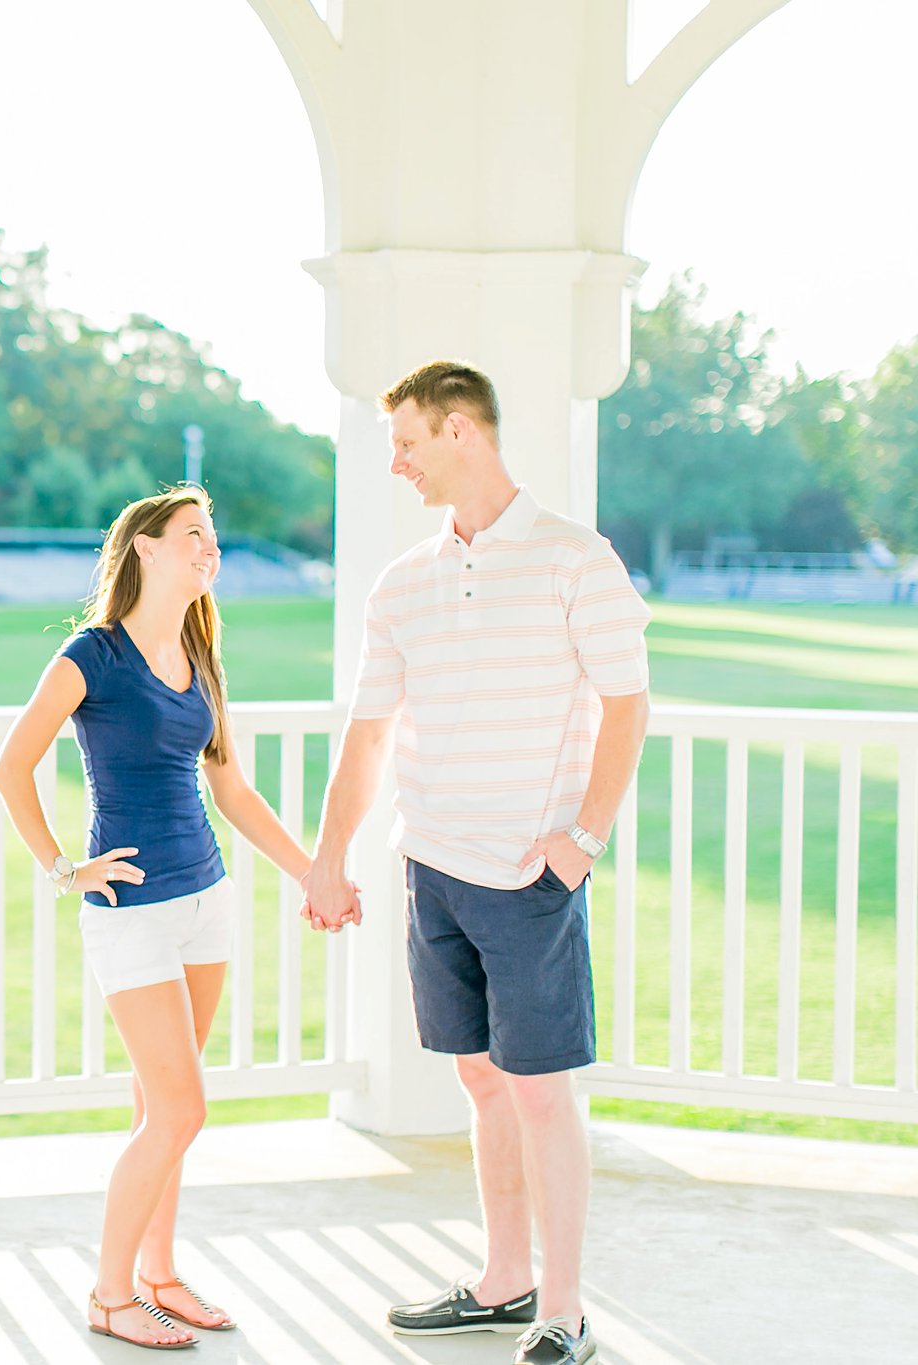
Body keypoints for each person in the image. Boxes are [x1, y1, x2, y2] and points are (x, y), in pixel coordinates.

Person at [301, 362, 651, 1365]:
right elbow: (366, 735)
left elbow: (626, 704)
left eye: (406, 442)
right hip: (433, 868)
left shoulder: (573, 561)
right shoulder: (401, 582)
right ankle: (503, 1282)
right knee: (480, 1083)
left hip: (527, 876)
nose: (396, 463)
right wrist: (330, 859)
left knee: (538, 1091)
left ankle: (564, 1311)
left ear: (459, 430)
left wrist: (580, 839)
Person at [0, 488, 329, 1352]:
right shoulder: (92, 655)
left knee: (159, 1103)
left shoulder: (202, 652)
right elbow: (10, 768)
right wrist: (65, 868)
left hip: (206, 899)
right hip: (131, 909)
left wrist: (314, 871)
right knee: (180, 1111)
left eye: (212, 538)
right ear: (143, 547)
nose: (207, 550)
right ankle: (110, 1295)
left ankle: (159, 1274)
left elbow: (234, 790)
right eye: (190, 536)